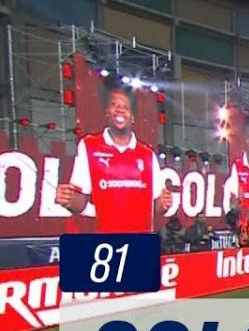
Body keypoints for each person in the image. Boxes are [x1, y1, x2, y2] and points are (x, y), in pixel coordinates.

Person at [56, 82, 172, 232]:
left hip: (140, 240)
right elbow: (80, 202)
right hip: (103, 241)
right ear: (107, 112)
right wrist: (68, 199)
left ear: (132, 117)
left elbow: (156, 207)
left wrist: (164, 204)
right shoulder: (89, 146)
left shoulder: (147, 155)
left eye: (125, 107)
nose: (120, 109)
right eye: (114, 104)